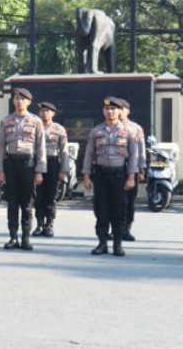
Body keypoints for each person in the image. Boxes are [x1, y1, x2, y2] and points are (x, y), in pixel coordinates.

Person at [82, 97, 138, 257]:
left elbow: (134, 156)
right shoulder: (96, 131)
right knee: (101, 209)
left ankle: (118, 244)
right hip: (100, 174)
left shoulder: (129, 132)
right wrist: (86, 175)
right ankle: (102, 243)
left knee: (119, 210)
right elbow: (89, 154)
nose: (110, 112)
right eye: (107, 109)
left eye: (113, 109)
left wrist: (132, 177)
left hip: (120, 174)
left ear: (120, 111)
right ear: (103, 111)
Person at [0, 88, 46, 250]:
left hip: (28, 164)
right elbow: (1, 147)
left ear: (29, 102)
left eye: (23, 99)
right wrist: (0, 170)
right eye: (17, 99)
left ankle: (25, 238)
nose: (19, 101)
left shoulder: (36, 121)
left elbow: (41, 147)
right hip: (11, 164)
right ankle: (12, 237)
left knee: (26, 203)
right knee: (12, 203)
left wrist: (39, 171)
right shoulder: (6, 121)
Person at [33, 102, 70, 237]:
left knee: (50, 195)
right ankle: (39, 224)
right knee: (38, 196)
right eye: (42, 111)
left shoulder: (59, 129)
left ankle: (49, 224)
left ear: (53, 113)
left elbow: (64, 150)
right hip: (36, 163)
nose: (44, 113)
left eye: (47, 111)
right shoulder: (34, 127)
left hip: (52, 162)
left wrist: (63, 170)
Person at [118, 102, 146, 242]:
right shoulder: (108, 127)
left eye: (122, 109)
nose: (119, 112)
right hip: (115, 167)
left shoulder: (135, 128)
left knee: (129, 201)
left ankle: (126, 228)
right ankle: (115, 228)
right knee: (114, 200)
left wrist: (141, 169)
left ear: (128, 111)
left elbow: (141, 151)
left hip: (131, 167)